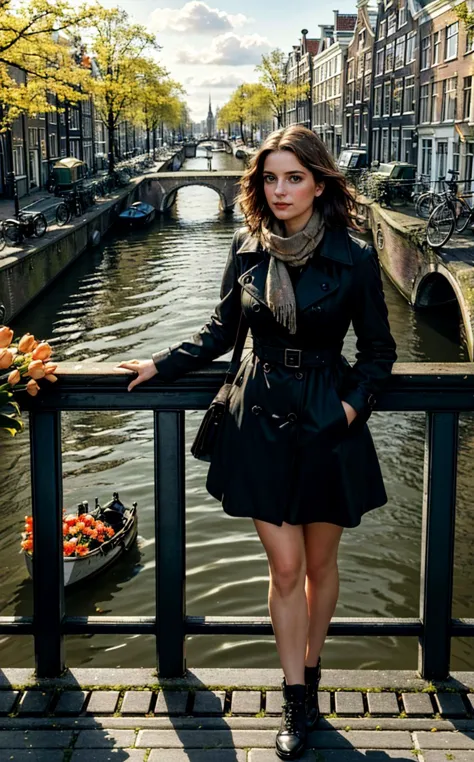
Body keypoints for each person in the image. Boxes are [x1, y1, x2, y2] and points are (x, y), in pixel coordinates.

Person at [116, 125, 397, 761]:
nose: (280, 189)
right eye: (270, 178)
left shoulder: (354, 257)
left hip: (327, 417)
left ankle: (313, 667)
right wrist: (162, 362)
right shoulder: (246, 248)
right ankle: (296, 697)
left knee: (322, 566)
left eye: (294, 177)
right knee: (287, 565)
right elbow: (221, 330)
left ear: (319, 184)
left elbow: (379, 352)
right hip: (261, 415)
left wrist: (351, 410)